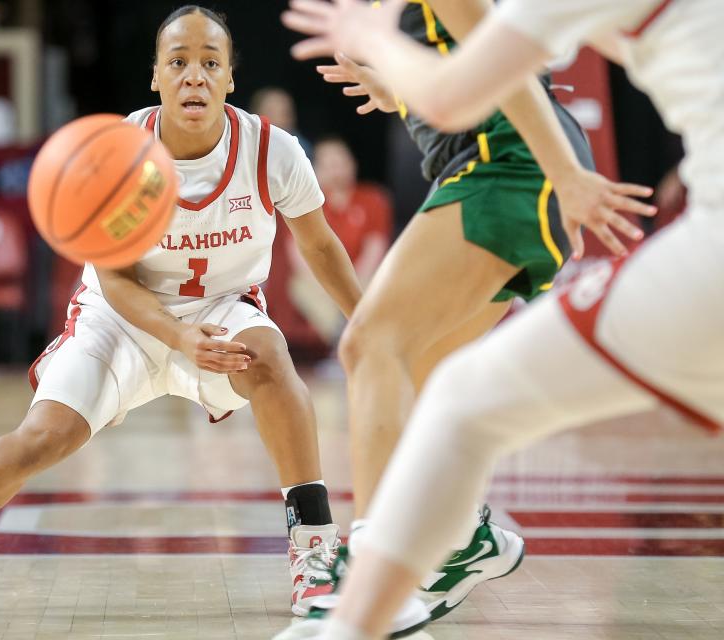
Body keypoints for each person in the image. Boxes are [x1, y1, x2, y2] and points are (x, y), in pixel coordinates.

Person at [0, 5, 366, 621]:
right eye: (178, 62)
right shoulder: (119, 152)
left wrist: (368, 325)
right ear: (155, 76)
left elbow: (320, 244)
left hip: (223, 309)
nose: (193, 76)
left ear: (229, 80)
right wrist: (174, 334)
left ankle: (315, 549)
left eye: (209, 63)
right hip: (119, 316)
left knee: (272, 357)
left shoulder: (273, 152)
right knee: (44, 437)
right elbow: (114, 279)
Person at [278, 0, 721, 638]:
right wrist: (396, 82)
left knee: (372, 343)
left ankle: (368, 579)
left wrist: (565, 173)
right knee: (429, 378)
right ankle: (460, 539)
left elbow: (500, 73)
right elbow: (465, 78)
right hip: (499, 166)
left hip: (510, 165)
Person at [287, 136, 391, 347]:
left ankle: (361, 340)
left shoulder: (372, 198)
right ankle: (340, 341)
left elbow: (374, 250)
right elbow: (298, 253)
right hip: (321, 278)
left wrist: (350, 282)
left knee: (373, 283)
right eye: (329, 165)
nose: (336, 171)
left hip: (361, 275)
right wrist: (328, 283)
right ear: (315, 169)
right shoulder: (306, 203)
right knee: (301, 286)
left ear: (352, 164)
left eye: (341, 163)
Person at [252, 86, 314, 158]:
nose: (279, 117)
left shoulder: (303, 150)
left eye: (285, 111)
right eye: (272, 111)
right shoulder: (244, 145)